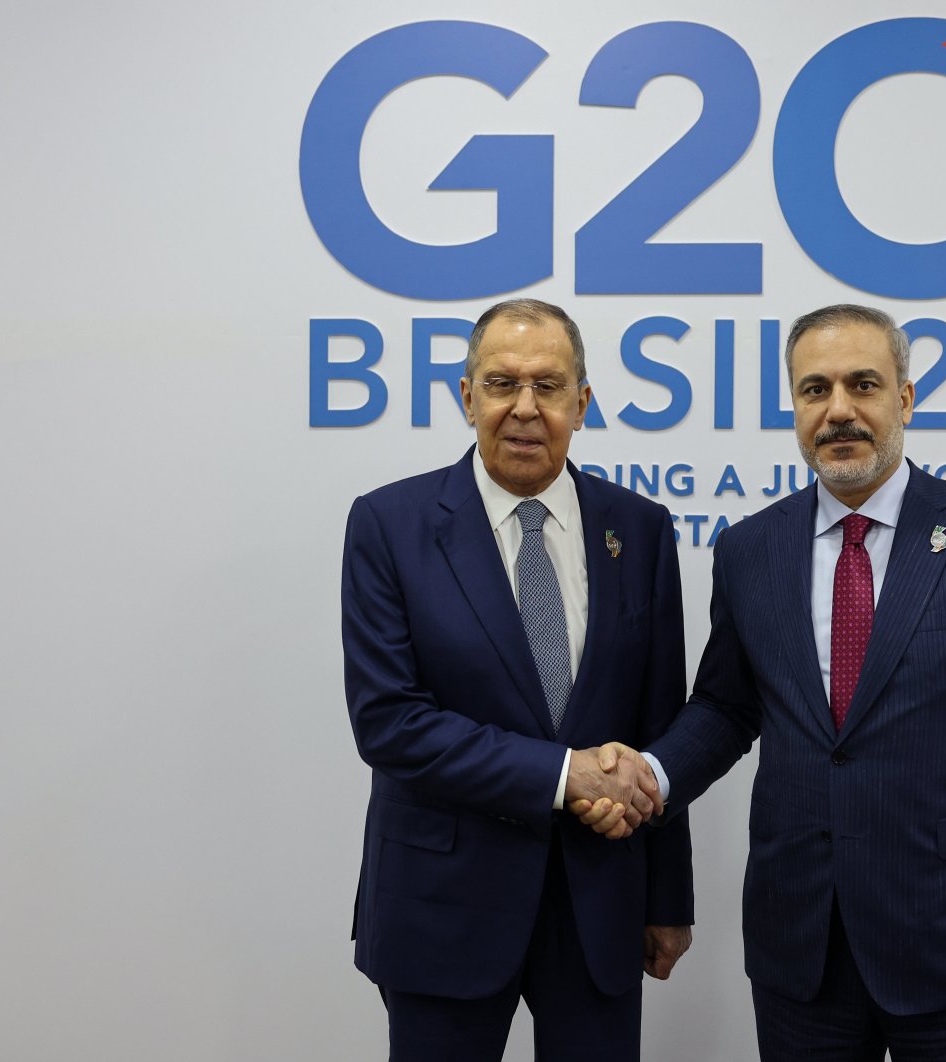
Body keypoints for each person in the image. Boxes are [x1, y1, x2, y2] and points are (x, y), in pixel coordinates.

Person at [578, 304, 946, 1060]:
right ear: (795, 407)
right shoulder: (750, 549)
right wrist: (648, 775)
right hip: (800, 943)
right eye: (815, 389)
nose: (839, 410)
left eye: (863, 385)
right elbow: (726, 706)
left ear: (904, 400)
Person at [342, 298, 692, 1061]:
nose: (525, 408)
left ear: (583, 402)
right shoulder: (390, 526)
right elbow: (390, 722)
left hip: (600, 903)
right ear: (467, 397)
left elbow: (661, 723)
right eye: (501, 384)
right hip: (443, 908)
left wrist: (667, 898)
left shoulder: (639, 527)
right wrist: (564, 775)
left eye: (549, 386)